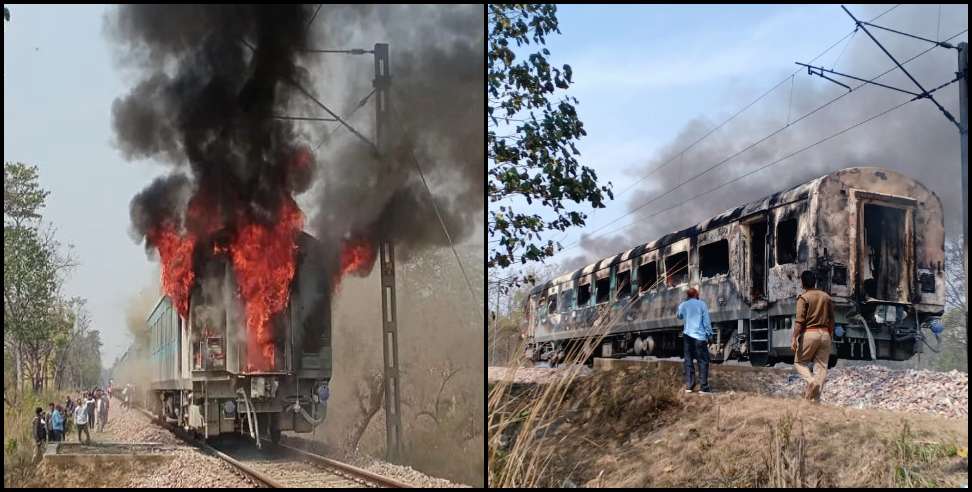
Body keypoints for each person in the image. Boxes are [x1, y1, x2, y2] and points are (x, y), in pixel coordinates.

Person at [790, 270, 835, 401]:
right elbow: (832, 319)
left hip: (810, 333)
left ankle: (810, 381)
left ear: (802, 283)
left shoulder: (803, 298)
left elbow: (799, 322)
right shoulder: (826, 297)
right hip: (825, 334)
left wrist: (794, 338)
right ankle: (814, 401)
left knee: (799, 362)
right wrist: (829, 334)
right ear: (815, 282)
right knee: (821, 368)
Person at [677, 287, 714, 394]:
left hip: (687, 336)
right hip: (699, 337)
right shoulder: (702, 304)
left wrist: (683, 307)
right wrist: (710, 335)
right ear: (697, 295)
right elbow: (706, 322)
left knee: (688, 360)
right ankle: (703, 387)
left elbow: (679, 316)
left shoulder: (684, 305)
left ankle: (689, 386)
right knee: (702, 361)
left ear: (687, 296)